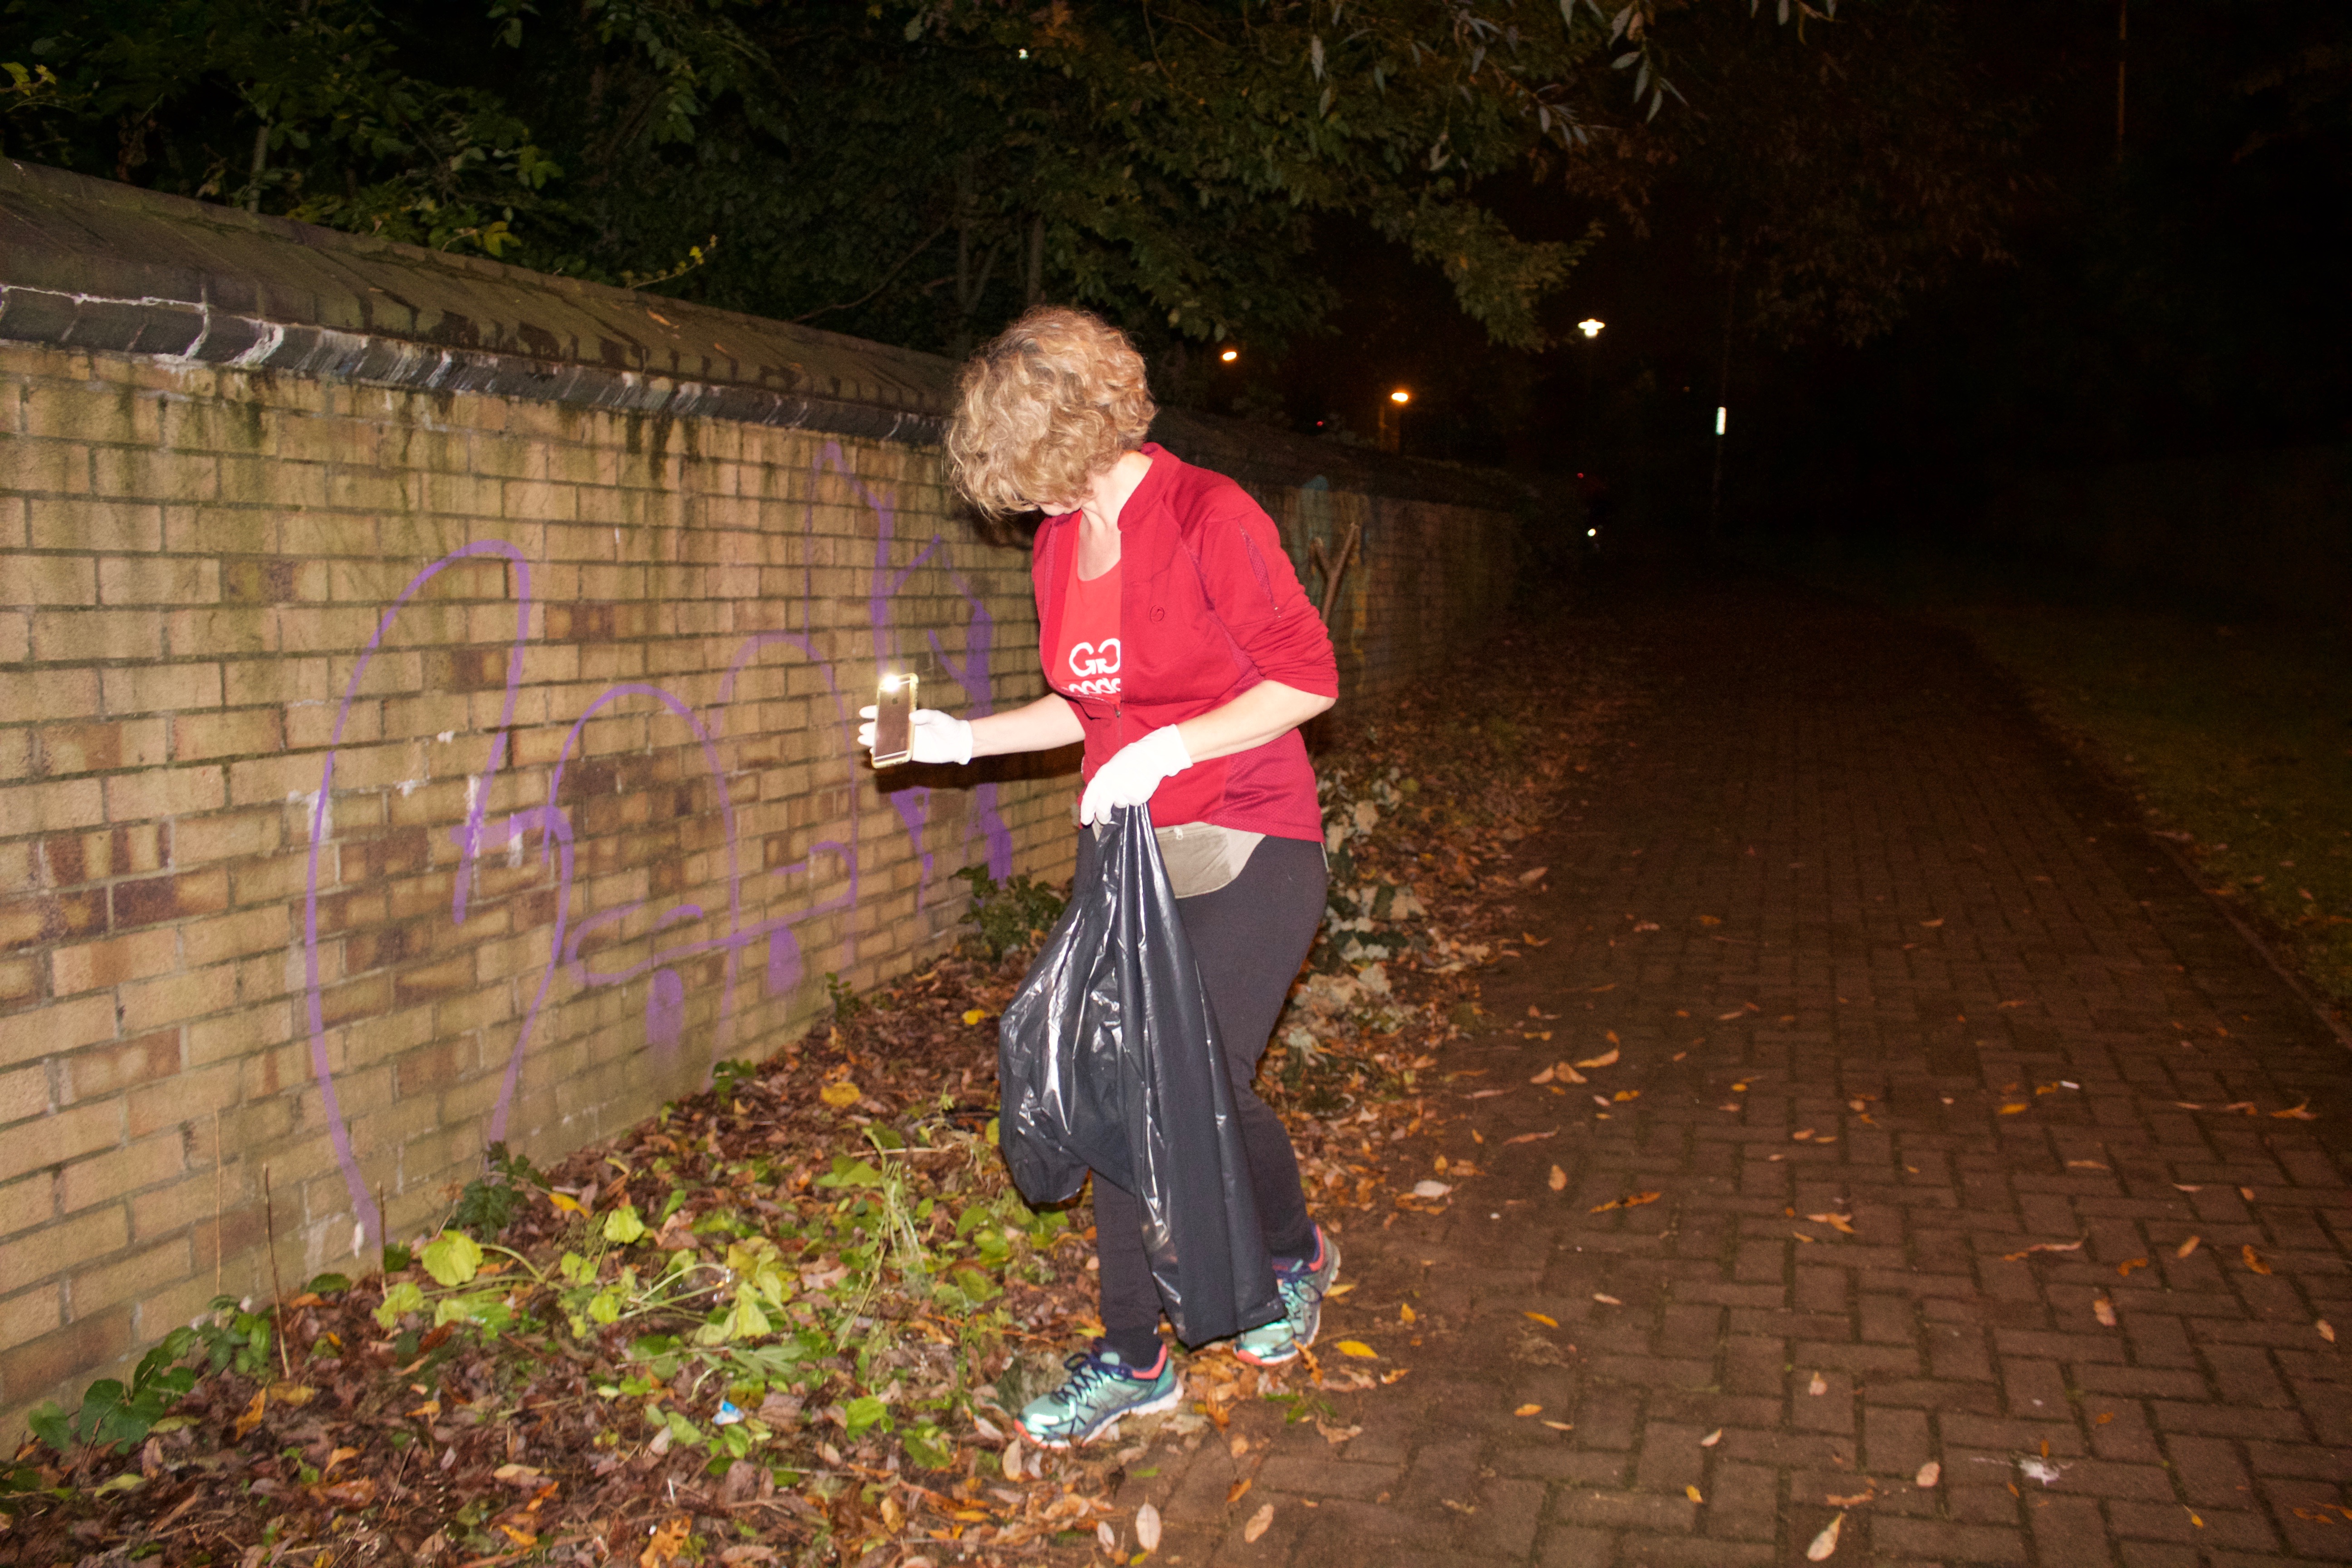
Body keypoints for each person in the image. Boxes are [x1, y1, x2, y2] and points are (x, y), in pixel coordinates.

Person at [856, 306, 1341, 1449]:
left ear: (1076, 435)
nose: (1020, 502)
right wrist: (958, 740)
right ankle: (1148, 1349)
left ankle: (1274, 1263)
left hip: (1253, 837)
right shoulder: (1059, 542)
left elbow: (1307, 681)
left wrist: (1168, 750)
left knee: (1185, 1084)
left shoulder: (1210, 514)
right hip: (1131, 852)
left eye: (1029, 474)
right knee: (1136, 1078)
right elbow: (1084, 705)